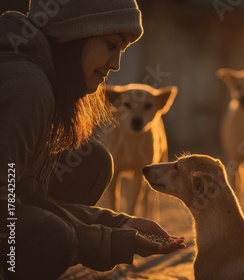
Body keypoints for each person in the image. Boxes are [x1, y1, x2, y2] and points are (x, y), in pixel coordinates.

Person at [0, 1, 185, 279]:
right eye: (111, 45)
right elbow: (8, 206)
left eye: (121, 51)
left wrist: (120, 224)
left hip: (9, 198)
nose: (116, 64)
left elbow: (21, 195)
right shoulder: (30, 87)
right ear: (75, 34)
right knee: (53, 238)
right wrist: (110, 241)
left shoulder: (40, 78)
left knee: (92, 160)